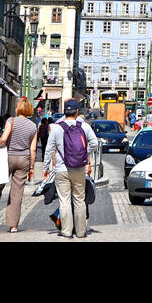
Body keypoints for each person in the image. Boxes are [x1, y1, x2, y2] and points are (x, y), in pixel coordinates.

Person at [42, 99, 97, 238]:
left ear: (65, 111)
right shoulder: (84, 126)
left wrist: (46, 168)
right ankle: (81, 231)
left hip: (61, 168)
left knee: (64, 200)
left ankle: (66, 231)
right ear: (77, 112)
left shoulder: (56, 127)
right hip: (79, 168)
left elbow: (49, 149)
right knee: (79, 199)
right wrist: (85, 155)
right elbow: (94, 143)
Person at [0, 97, 39, 233]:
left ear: (18, 108)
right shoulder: (33, 126)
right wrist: (31, 168)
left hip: (9, 157)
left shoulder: (11, 121)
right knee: (17, 193)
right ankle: (13, 225)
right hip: (23, 159)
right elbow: (33, 149)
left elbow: (4, 139)